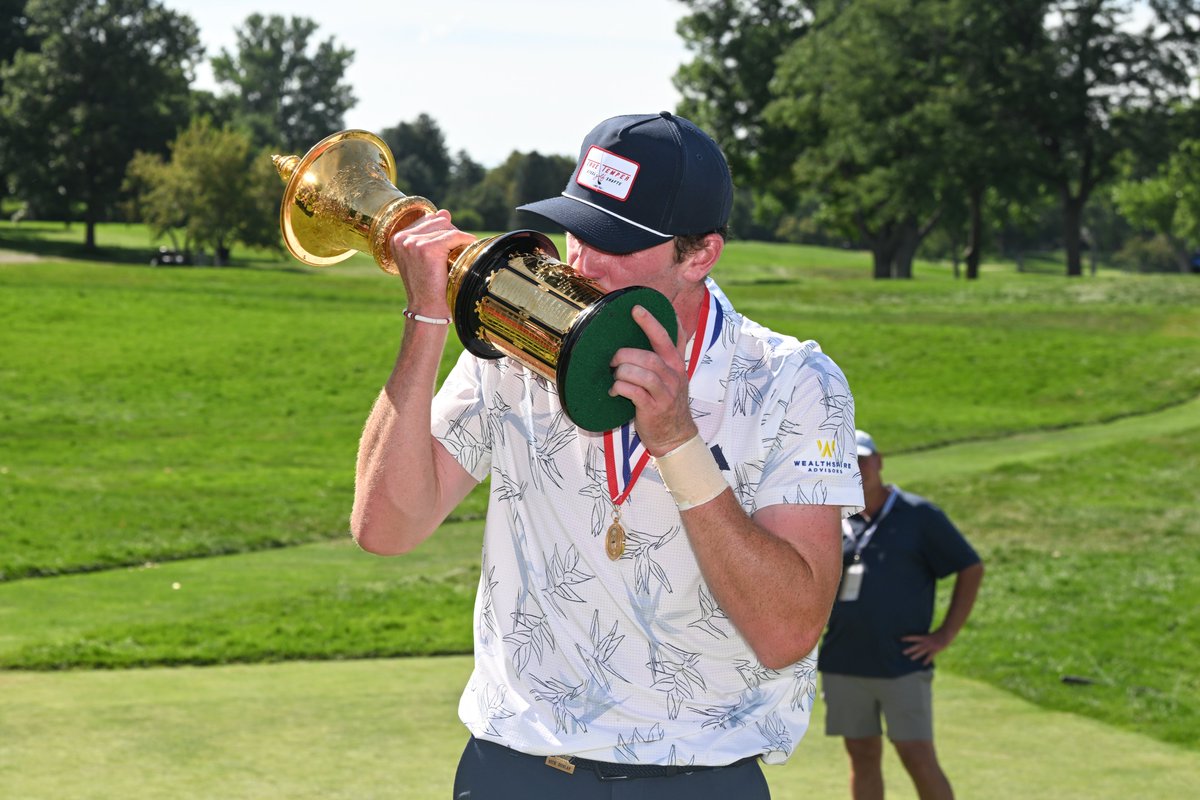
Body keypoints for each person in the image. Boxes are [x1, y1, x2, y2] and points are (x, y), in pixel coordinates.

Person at [350, 111, 864, 798]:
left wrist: (679, 442)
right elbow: (385, 529)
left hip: (699, 780)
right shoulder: (515, 341)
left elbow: (787, 631)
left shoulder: (793, 381)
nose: (582, 263)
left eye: (616, 242)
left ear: (700, 254)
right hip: (515, 769)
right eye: (577, 228)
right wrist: (428, 320)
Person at [818, 430, 984, 800]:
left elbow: (970, 567)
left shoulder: (918, 515)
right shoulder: (831, 516)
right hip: (843, 659)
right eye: (849, 462)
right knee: (861, 755)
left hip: (902, 661)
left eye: (863, 460)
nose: (858, 469)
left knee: (916, 754)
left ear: (879, 462)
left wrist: (945, 635)